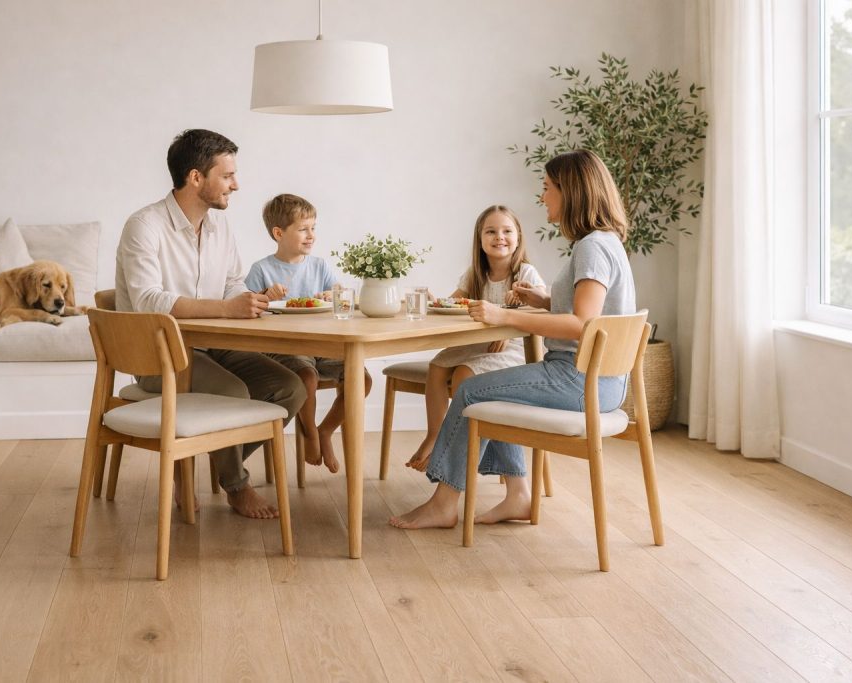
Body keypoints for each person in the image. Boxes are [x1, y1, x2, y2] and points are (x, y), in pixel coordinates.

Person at [389, 149, 636, 530]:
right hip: (602, 381)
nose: (543, 197)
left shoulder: (590, 247)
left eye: (548, 188)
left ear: (571, 193)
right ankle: (519, 495)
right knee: (496, 388)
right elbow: (595, 311)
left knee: (472, 390)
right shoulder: (606, 242)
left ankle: (443, 504)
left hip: (578, 378)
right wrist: (548, 301)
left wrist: (505, 315)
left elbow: (584, 323)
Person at [115, 129, 306, 520]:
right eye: (227, 175)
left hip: (212, 346)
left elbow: (233, 284)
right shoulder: (145, 226)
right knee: (233, 392)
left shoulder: (220, 227)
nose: (236, 185)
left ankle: (199, 460)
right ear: (196, 177)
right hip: (160, 356)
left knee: (290, 387)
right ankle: (236, 486)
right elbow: (148, 301)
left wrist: (254, 300)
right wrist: (227, 308)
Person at [404, 205, 546, 471]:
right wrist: (438, 301)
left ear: (518, 238)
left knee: (463, 375)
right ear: (480, 240)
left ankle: (458, 446)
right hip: (479, 344)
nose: (499, 237)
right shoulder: (475, 274)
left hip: (513, 347)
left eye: (506, 231)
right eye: (490, 231)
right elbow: (455, 302)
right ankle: (434, 435)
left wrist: (512, 314)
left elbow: (541, 306)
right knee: (437, 367)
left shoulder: (525, 273)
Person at [245, 193, 372, 474]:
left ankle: (324, 430)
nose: (311, 235)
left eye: (313, 228)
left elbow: (342, 298)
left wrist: (333, 294)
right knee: (307, 376)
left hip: (324, 345)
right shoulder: (262, 269)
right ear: (279, 233)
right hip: (284, 348)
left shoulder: (320, 266)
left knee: (361, 379)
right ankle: (310, 435)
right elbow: (248, 312)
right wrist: (265, 295)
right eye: (303, 229)